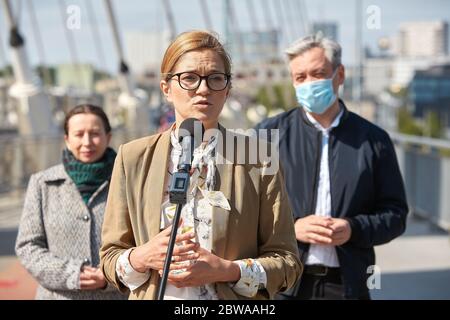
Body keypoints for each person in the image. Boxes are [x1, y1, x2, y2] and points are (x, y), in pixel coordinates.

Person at [99, 30, 301, 300]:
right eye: (190, 78)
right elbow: (110, 260)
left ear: (227, 90)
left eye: (216, 78)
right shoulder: (132, 157)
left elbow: (287, 264)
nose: (203, 89)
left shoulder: (258, 158)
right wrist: (142, 257)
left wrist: (227, 270)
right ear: (166, 88)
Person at [256, 34, 409, 300]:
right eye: (300, 77)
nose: (309, 83)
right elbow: (245, 213)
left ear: (340, 75)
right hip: (284, 283)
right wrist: (290, 229)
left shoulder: (374, 140)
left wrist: (353, 228)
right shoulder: (266, 135)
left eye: (318, 73)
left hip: (348, 284)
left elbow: (395, 216)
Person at [15, 104, 126, 300]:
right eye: (79, 134)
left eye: (94, 133)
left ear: (108, 137)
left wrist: (110, 275)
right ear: (67, 139)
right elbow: (28, 246)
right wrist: (72, 274)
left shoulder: (127, 182)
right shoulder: (42, 183)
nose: (87, 142)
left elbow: (141, 242)